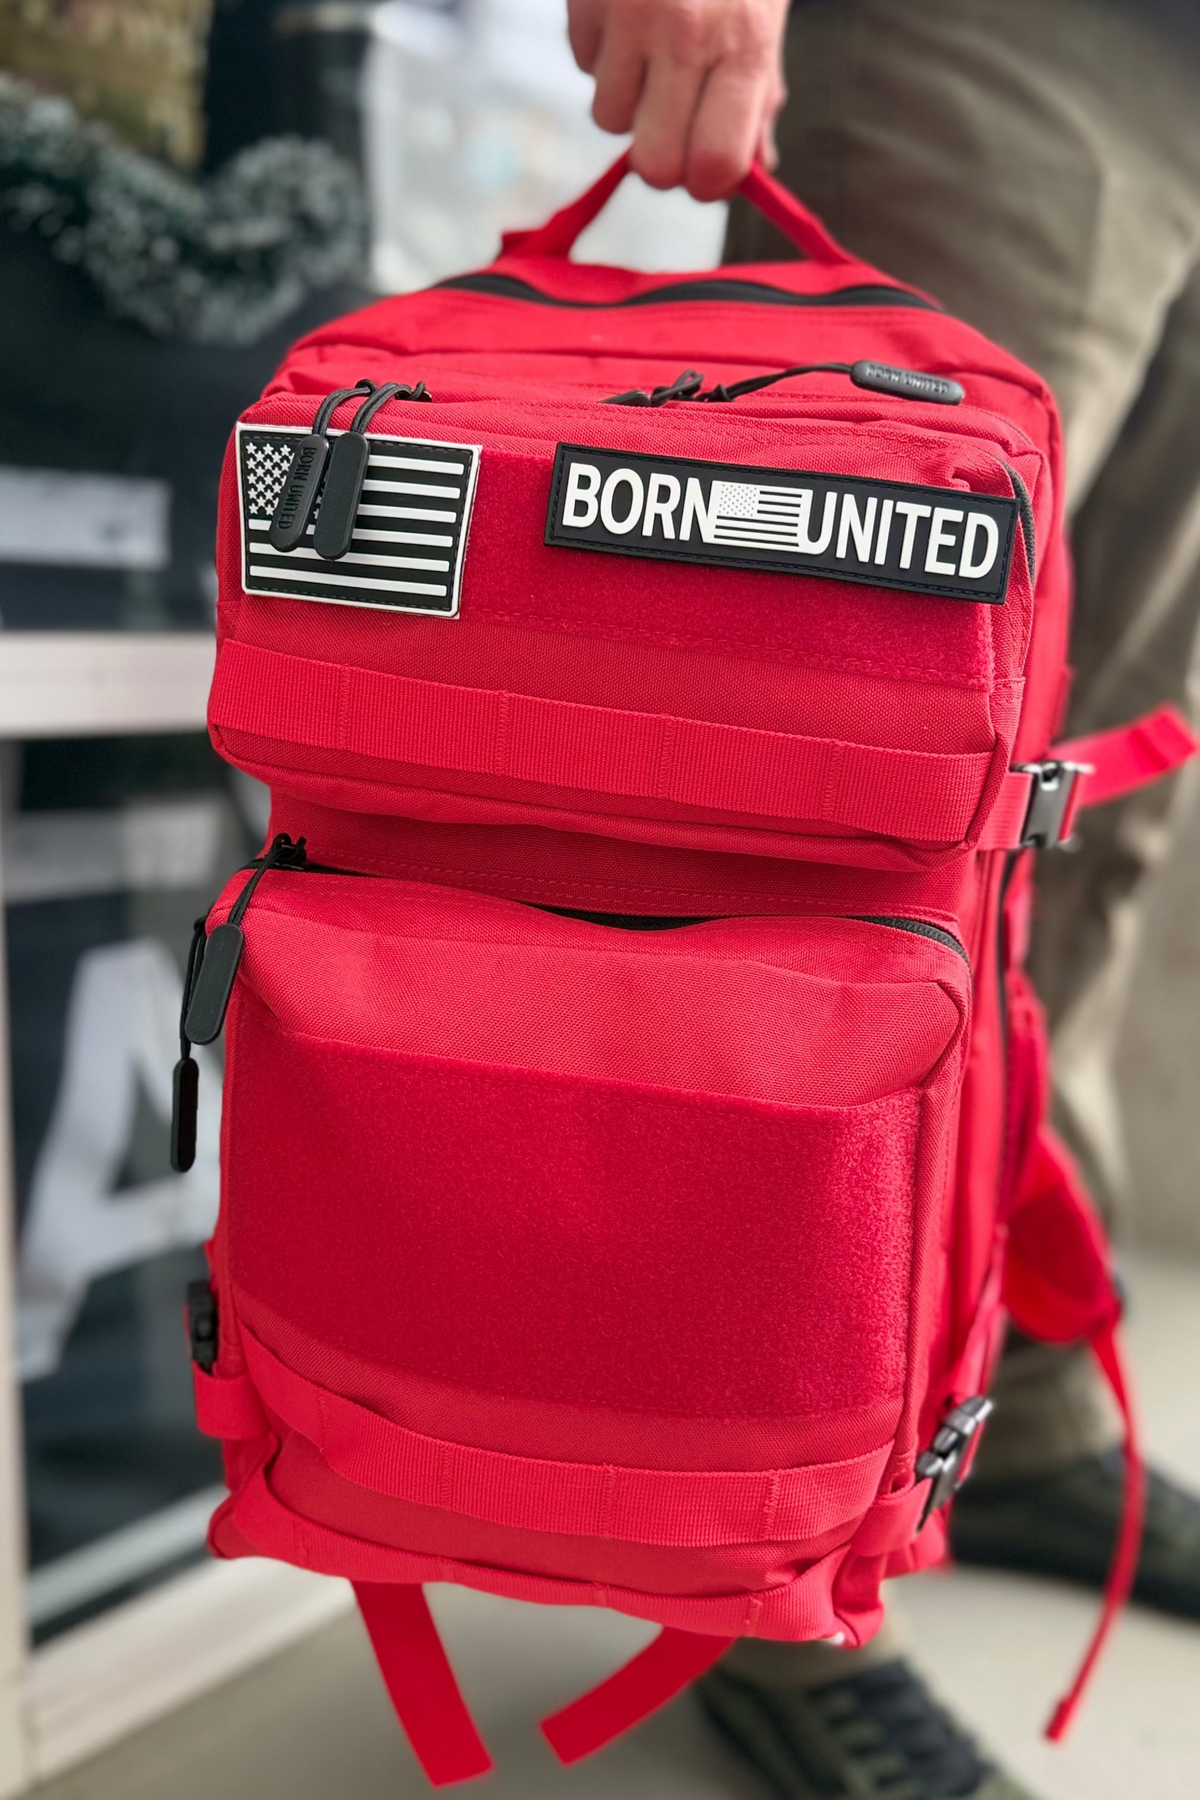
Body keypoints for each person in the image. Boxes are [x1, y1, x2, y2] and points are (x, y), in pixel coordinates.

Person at [565, 1, 1200, 1793]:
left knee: (1076, 818)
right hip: (1002, 34)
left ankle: (1017, 1424)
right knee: (843, 808)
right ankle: (759, 1565)